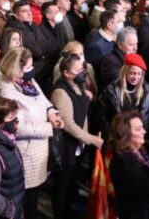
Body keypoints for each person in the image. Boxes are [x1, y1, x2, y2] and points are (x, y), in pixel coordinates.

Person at [0, 47, 63, 219]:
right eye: (27, 68)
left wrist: (51, 112)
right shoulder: (6, 91)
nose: (31, 71)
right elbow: (17, 127)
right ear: (15, 69)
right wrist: (49, 128)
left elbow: (42, 99)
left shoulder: (27, 81)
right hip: (26, 154)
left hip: (39, 149)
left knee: (35, 196)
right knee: (28, 203)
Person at [50, 53, 102, 218]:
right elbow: (69, 125)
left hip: (78, 146)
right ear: (66, 73)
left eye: (83, 69)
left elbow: (82, 113)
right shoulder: (60, 91)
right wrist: (91, 139)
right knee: (62, 188)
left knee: (71, 182)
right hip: (66, 147)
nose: (82, 73)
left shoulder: (78, 85)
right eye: (78, 70)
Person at [95, 53, 149, 139]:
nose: (136, 77)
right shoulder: (111, 91)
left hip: (140, 139)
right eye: (132, 73)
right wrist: (112, 136)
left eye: (139, 74)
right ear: (125, 71)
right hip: (119, 139)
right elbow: (101, 117)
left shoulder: (147, 91)